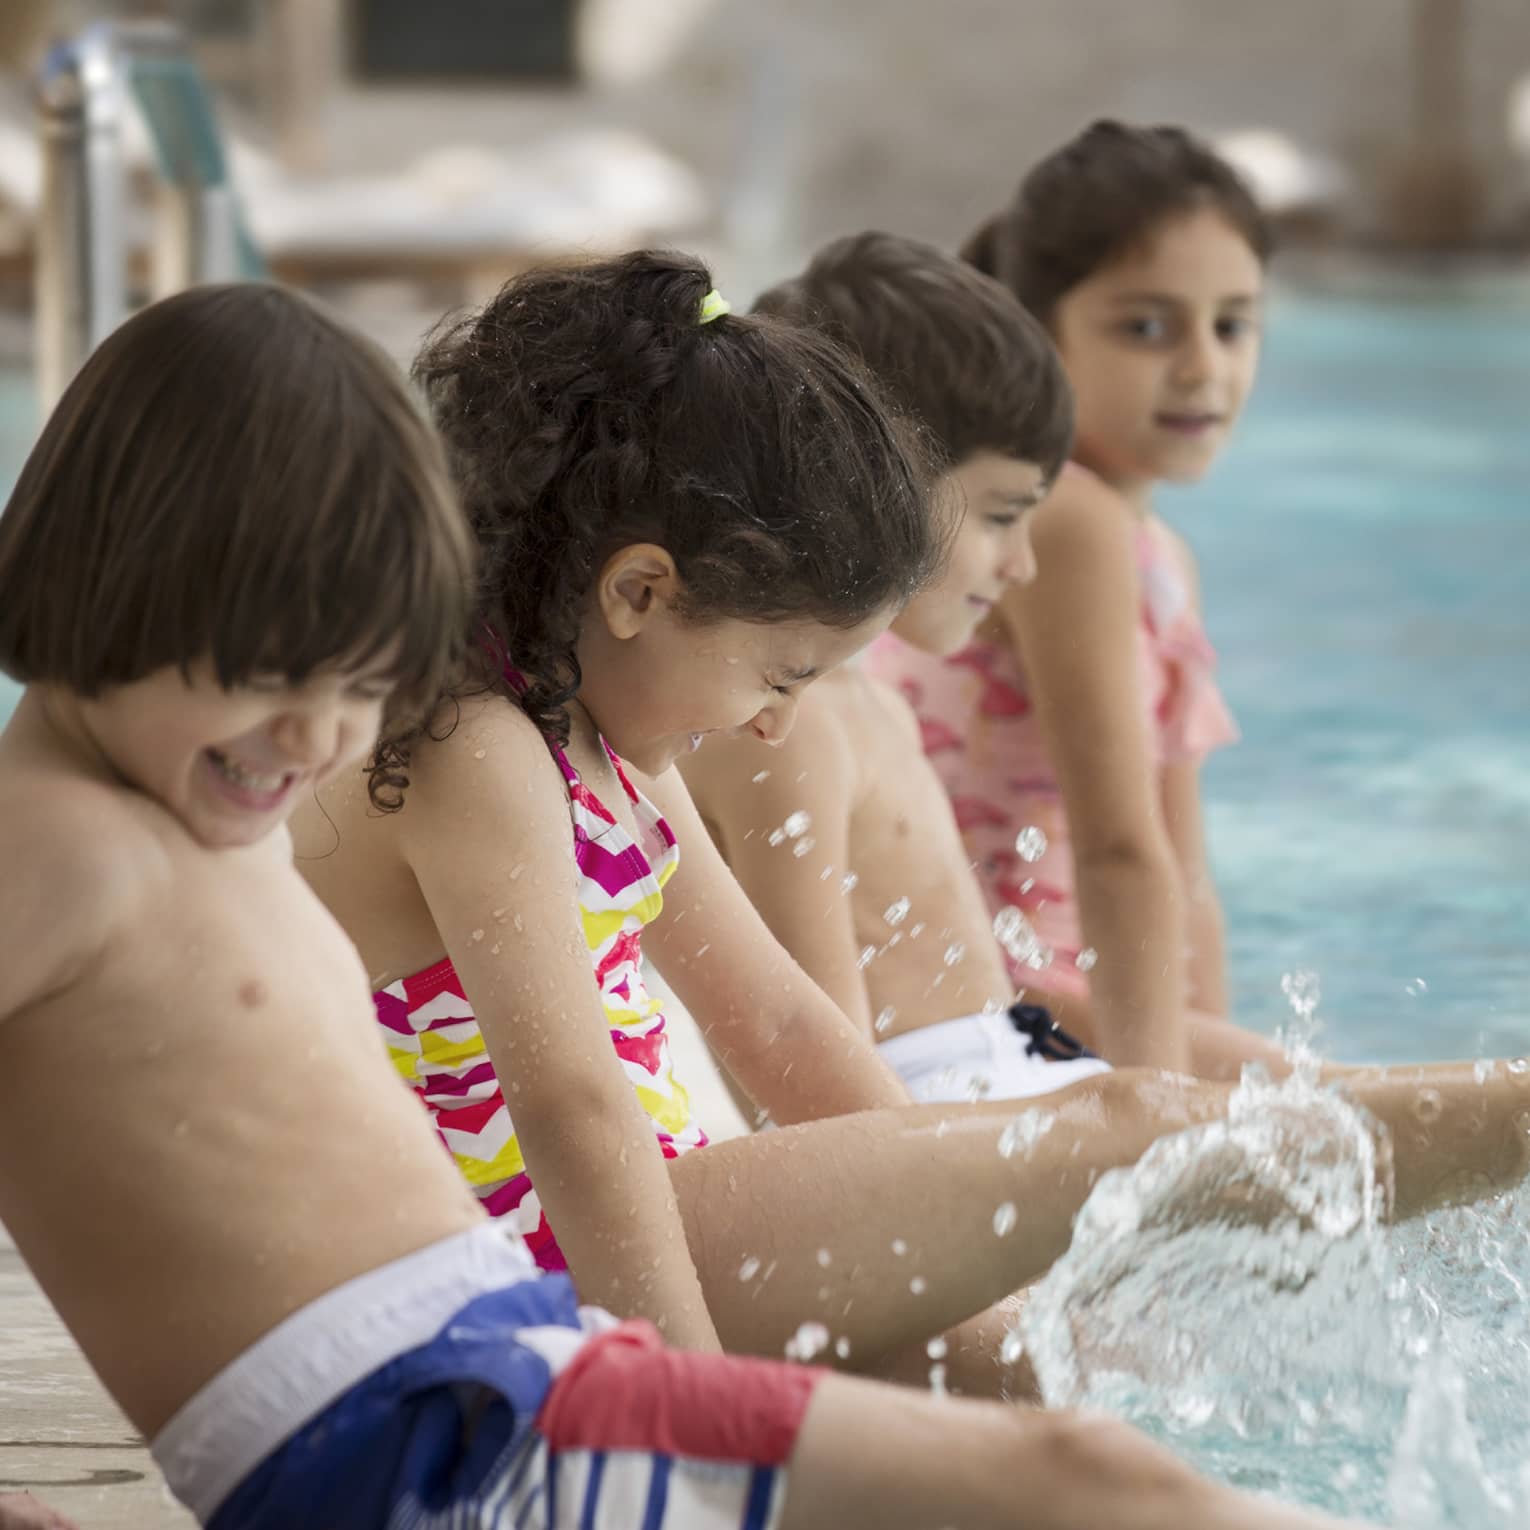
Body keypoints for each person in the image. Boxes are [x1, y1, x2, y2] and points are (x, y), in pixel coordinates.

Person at [0, 280, 1373, 1530]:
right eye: (271, 668)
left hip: (499, 1372)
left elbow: (773, 1020)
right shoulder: (57, 840)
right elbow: (572, 1109)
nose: (317, 739)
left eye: (366, 683)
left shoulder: (192, 818)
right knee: (1092, 1483)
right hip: (421, 1434)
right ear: (102, 575)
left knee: (1081, 1460)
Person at [293, 252, 1530, 1399]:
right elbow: (571, 1108)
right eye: (781, 676)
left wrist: (956, 1223)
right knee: (1119, 1128)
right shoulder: (481, 753)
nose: (779, 728)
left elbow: (776, 1022)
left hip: (643, 1226)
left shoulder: (593, 740)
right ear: (638, 592)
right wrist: (675, 1410)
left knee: (1045, 1396)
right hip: (537, 1266)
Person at [681, 230, 1286, 1105]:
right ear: (881, 484)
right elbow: (814, 1078)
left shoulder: (852, 699)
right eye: (1003, 516)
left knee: (1323, 1100)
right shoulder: (791, 726)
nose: (1022, 568)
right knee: (1402, 1121)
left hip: (999, 1071)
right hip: (943, 1124)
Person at [866, 121, 1272, 1078]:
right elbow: (1119, 851)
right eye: (1146, 326)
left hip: (1066, 992)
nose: (1202, 368)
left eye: (1234, 323)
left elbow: (1181, 870)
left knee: (1302, 1107)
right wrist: (1164, 1104)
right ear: (1040, 333)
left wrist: (1212, 1064)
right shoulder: (1066, 521)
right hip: (991, 995)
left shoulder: (1156, 551)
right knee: (1379, 1115)